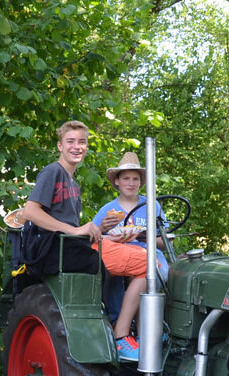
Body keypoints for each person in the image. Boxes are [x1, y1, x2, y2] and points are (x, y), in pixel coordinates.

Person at [22, 121, 148, 361]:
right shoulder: (53, 172)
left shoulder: (73, 182)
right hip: (54, 248)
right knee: (146, 264)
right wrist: (75, 229)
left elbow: (75, 228)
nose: (76, 147)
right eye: (71, 141)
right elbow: (31, 212)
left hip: (70, 244)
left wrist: (102, 231)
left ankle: (136, 332)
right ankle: (121, 336)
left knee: (137, 260)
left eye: (82, 142)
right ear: (60, 145)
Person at [91, 152, 167, 321]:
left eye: (135, 179)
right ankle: (120, 325)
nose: (131, 183)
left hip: (150, 255)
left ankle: (149, 329)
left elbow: (164, 242)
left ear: (141, 182)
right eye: (126, 178)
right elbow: (92, 237)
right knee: (115, 277)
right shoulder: (107, 210)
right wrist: (106, 230)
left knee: (157, 272)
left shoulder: (151, 206)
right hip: (119, 256)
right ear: (117, 181)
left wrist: (141, 236)